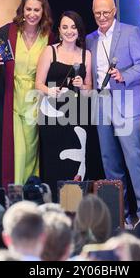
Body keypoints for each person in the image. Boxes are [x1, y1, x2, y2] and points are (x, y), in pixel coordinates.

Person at [0, 0, 55, 199]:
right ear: (22, 10)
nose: (32, 14)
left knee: (32, 151)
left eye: (37, 10)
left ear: (43, 12)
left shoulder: (49, 37)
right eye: (28, 9)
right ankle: (14, 195)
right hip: (10, 98)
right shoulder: (7, 32)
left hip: (37, 101)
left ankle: (32, 194)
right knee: (14, 151)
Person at [86, 0, 140, 223]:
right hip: (101, 104)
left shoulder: (130, 31)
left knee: (134, 160)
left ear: (114, 11)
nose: (102, 17)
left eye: (106, 12)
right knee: (110, 163)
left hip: (126, 102)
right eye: (97, 13)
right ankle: (120, 216)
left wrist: (123, 75)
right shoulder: (90, 39)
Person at [36, 11, 102, 200]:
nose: (69, 31)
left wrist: (82, 86)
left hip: (78, 115)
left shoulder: (86, 55)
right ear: (59, 30)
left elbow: (89, 90)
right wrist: (51, 91)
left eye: (73, 27)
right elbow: (38, 84)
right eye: (65, 27)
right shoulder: (50, 51)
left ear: (79, 30)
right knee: (54, 162)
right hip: (52, 117)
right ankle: (54, 206)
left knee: (77, 163)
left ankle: (76, 208)